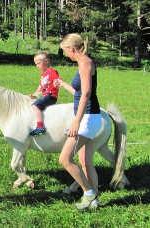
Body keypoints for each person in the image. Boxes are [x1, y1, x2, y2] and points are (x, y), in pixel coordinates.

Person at [56, 33, 102, 210]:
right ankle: (94, 200)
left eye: (65, 51)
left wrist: (76, 121)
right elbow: (78, 92)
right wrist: (63, 84)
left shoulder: (84, 62)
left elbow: (86, 93)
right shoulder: (84, 61)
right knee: (86, 161)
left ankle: (89, 194)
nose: (65, 54)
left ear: (72, 49)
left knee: (65, 159)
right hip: (91, 116)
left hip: (87, 118)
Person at [29, 51, 61, 136]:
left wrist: (56, 83)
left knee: (35, 106)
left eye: (38, 63)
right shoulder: (43, 75)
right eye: (36, 64)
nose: (37, 66)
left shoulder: (52, 71)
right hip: (46, 96)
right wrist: (34, 94)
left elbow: (57, 80)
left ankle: (40, 127)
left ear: (46, 61)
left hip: (51, 96)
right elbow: (40, 87)